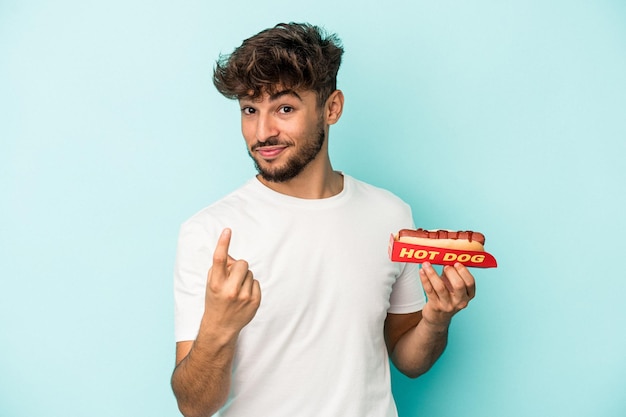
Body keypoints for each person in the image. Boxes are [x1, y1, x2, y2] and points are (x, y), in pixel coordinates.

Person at [171, 22, 476, 417]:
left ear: (331, 108)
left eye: (284, 108)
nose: (262, 132)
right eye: (250, 110)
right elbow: (194, 406)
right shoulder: (209, 234)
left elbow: (408, 360)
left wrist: (436, 320)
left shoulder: (391, 215)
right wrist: (217, 327)